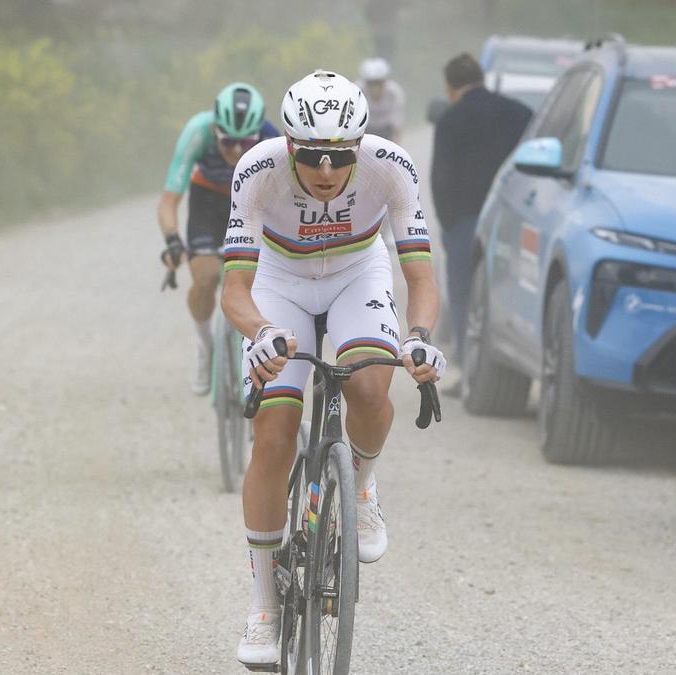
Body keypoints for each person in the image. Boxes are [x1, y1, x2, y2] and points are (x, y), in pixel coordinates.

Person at [222, 69, 445, 666]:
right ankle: (264, 607)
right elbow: (235, 290)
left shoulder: (390, 166)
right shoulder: (258, 169)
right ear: (290, 146)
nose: (326, 170)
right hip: (280, 280)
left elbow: (420, 277)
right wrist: (261, 333)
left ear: (360, 146)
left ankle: (362, 483)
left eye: (340, 155)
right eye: (314, 155)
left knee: (373, 387)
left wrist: (419, 339)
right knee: (272, 436)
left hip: (356, 273)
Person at [159, 83, 280, 395]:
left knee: (257, 283)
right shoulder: (197, 132)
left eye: (246, 142)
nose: (237, 151)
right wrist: (173, 241)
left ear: (258, 133)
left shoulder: (273, 138)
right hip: (209, 202)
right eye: (228, 142)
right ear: (215, 130)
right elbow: (169, 199)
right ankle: (204, 345)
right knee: (207, 276)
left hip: (252, 204)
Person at [430, 53, 531, 395]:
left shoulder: (451, 119)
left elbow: (440, 178)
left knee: (463, 296)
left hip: (466, 221)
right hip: (512, 220)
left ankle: (471, 373)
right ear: (481, 78)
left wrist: (447, 223)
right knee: (506, 293)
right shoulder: (520, 114)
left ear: (451, 87)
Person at [356, 57, 405, 143]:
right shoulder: (357, 92)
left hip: (386, 129)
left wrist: (396, 146)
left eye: (378, 83)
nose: (375, 88)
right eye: (371, 83)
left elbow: (397, 120)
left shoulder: (394, 93)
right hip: (365, 129)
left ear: (385, 81)